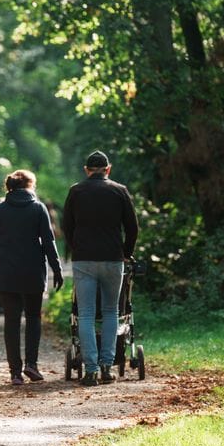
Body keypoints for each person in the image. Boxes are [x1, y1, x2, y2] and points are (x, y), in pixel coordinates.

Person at [62, 150, 139, 386]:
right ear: (108, 169)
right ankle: (107, 367)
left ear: (87, 170)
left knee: (84, 314)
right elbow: (133, 228)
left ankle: (91, 370)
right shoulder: (119, 191)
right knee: (110, 312)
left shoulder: (76, 191)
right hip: (112, 260)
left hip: (84, 259)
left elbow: (67, 226)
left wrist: (77, 248)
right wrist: (125, 253)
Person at [0, 170, 63, 385]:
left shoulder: (0, 209)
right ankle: (32, 364)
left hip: (7, 271)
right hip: (33, 271)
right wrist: (56, 269)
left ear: (9, 187)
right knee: (33, 317)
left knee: (11, 321)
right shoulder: (38, 208)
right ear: (30, 185)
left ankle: (15, 372)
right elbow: (48, 241)